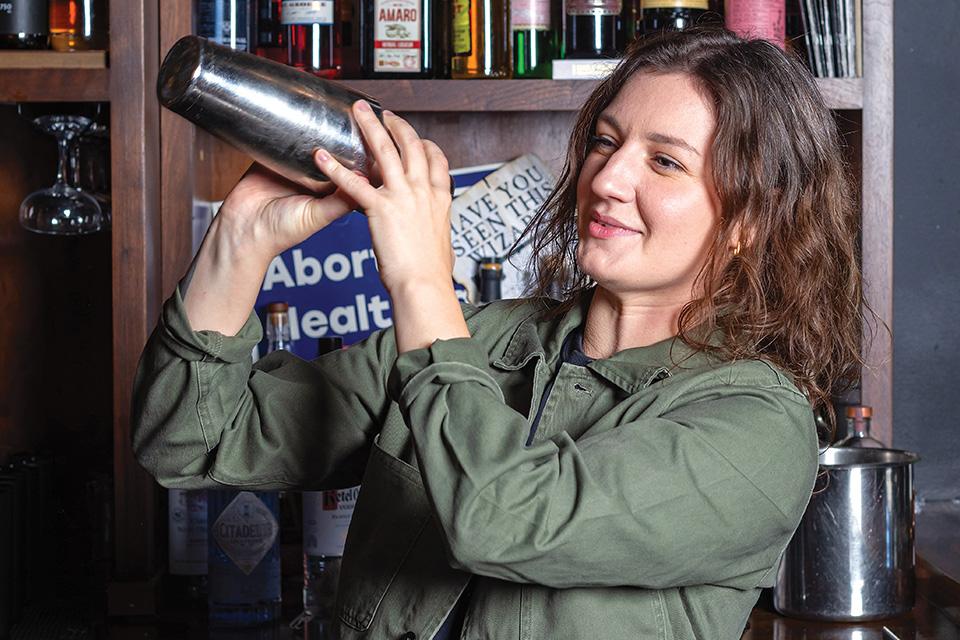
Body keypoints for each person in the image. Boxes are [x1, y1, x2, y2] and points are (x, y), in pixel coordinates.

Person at [132, 25, 868, 640]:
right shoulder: (478, 340)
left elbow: (504, 518)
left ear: (748, 222)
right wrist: (242, 241)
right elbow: (189, 442)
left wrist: (421, 277)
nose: (606, 179)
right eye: (606, 142)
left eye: (665, 161)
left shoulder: (755, 428)